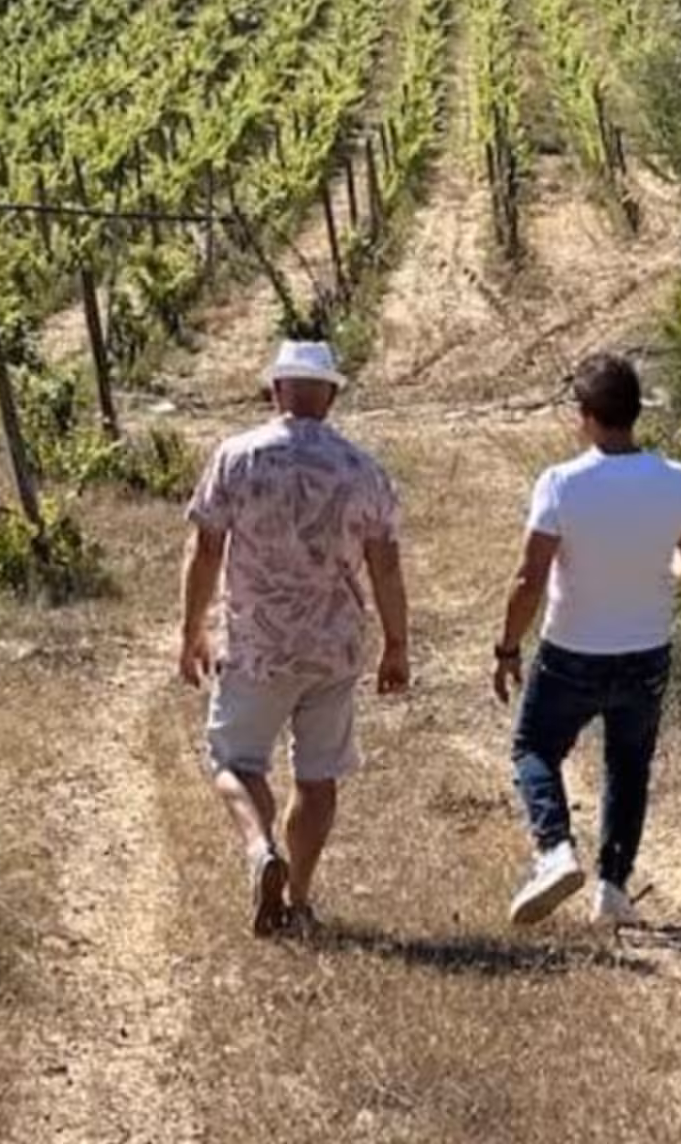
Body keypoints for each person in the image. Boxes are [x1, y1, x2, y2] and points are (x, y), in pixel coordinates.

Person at [178, 339, 411, 937]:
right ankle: (299, 900)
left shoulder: (236, 457)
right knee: (317, 776)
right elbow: (385, 565)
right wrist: (397, 645)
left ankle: (260, 852)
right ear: (329, 395)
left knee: (234, 761)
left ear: (277, 390)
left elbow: (207, 548)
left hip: (258, 644)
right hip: (333, 648)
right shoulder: (364, 469)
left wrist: (192, 630)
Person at [491, 352, 681, 929]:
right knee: (628, 766)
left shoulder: (562, 484)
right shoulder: (677, 479)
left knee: (534, 749)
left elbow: (528, 577)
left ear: (585, 415)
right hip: (646, 650)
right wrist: (665, 565)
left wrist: (507, 647)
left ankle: (554, 850)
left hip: (572, 649)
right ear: (635, 412)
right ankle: (612, 891)